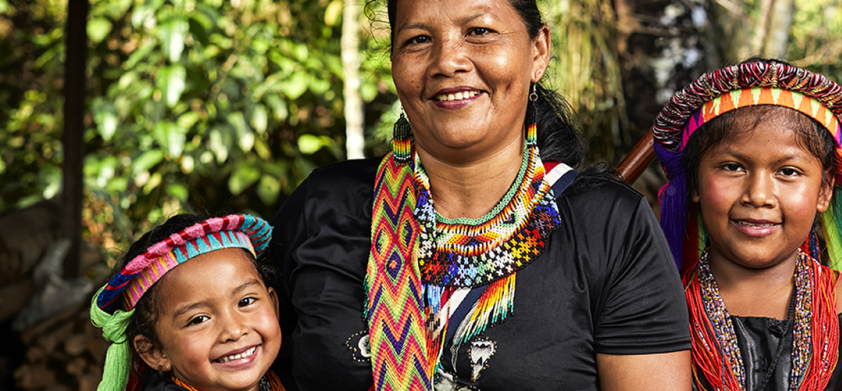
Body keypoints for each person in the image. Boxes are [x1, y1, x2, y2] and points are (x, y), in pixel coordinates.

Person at [262, 0, 690, 389]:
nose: (447, 60)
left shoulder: (608, 225)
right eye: (418, 39)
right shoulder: (323, 206)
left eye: (479, 31)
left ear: (538, 50)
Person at [650, 59, 842, 391]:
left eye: (788, 171)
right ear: (696, 185)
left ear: (825, 190)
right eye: (732, 167)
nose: (758, 195)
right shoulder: (657, 314)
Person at [89, 214, 287, 391]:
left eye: (246, 301)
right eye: (199, 319)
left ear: (273, 304)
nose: (234, 331)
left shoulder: (291, 374)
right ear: (155, 352)